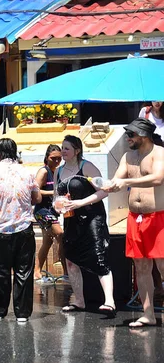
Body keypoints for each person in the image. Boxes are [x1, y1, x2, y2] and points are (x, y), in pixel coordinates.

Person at [104, 119, 164, 327]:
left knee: (162, 265)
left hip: (158, 217)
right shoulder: (128, 156)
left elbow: (157, 178)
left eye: (132, 135)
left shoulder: (159, 153)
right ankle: (148, 314)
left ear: (144, 136)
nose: (128, 138)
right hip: (135, 217)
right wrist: (106, 185)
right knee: (141, 266)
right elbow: (118, 180)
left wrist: (127, 182)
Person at [0, 138, 41, 323]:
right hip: (24, 228)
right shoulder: (26, 171)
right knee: (24, 271)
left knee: (0, 271)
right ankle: (22, 314)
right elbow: (36, 198)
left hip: (1, 228)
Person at [55, 135, 116, 317]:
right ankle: (79, 301)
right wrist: (57, 206)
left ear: (77, 150)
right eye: (62, 148)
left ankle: (109, 301)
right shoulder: (59, 171)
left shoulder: (86, 166)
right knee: (71, 259)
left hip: (92, 217)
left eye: (66, 148)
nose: (63, 151)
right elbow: (55, 197)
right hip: (71, 218)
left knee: (98, 257)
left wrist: (80, 203)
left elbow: (104, 191)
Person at [33, 144, 68, 283]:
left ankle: (37, 271)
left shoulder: (58, 172)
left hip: (52, 210)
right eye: (53, 158)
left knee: (47, 242)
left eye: (59, 159)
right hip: (42, 211)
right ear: (47, 158)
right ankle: (66, 272)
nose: (57, 161)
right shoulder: (44, 172)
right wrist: (52, 193)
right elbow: (35, 190)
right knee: (60, 235)